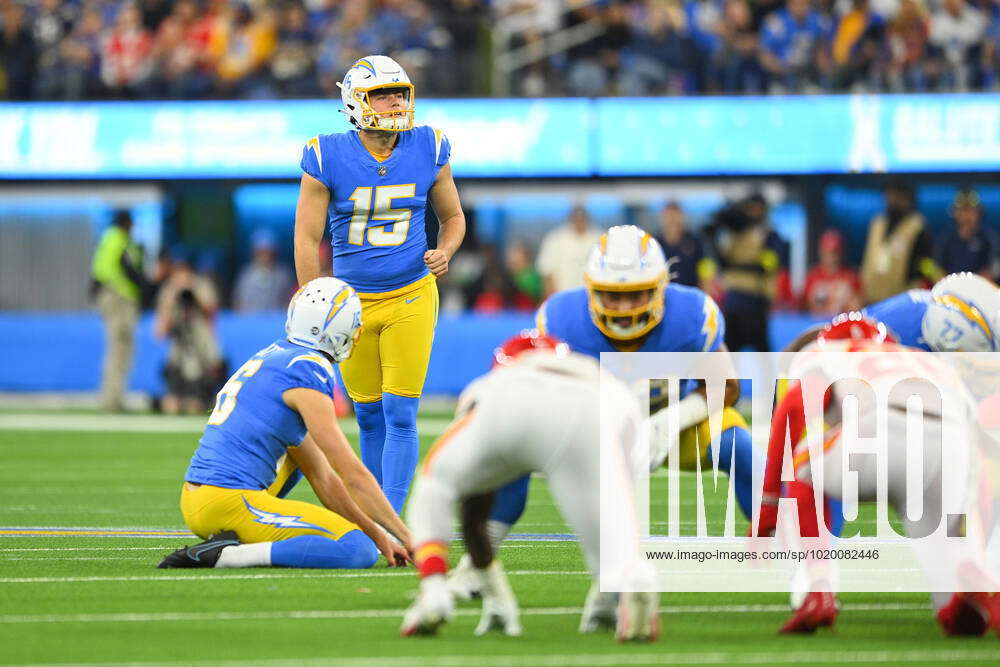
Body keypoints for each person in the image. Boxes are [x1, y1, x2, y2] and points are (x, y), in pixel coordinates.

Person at [448, 225, 762, 598]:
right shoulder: (564, 320)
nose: (625, 309)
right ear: (591, 291)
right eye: (612, 297)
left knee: (738, 443)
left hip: (673, 427)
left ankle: (781, 544)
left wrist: (671, 421)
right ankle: (475, 567)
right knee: (513, 454)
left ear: (661, 288)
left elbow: (725, 385)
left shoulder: (691, 316)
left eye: (637, 295)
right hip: (588, 429)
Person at [401, 331, 659, 641]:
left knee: (434, 485)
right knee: (613, 536)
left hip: (507, 402)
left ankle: (434, 591)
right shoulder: (606, 382)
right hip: (591, 406)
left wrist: (493, 590)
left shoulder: (490, 383)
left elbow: (473, 508)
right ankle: (626, 583)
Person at [294, 55, 466, 514]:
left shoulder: (429, 145)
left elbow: (453, 217)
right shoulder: (325, 154)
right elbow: (307, 237)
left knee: (401, 414)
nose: (394, 103)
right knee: (368, 415)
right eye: (382, 94)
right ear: (355, 101)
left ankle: (392, 517)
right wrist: (312, 298)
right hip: (352, 305)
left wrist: (445, 250)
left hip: (411, 294)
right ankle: (373, 513)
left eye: (400, 93)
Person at [756, 314, 1000, 634]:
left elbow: (790, 416)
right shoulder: (929, 364)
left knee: (803, 463)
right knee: (950, 603)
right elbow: (977, 466)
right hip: (950, 450)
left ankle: (819, 587)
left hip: (878, 427)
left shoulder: (825, 355)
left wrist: (766, 516)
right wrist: (972, 542)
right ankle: (977, 585)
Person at [158, 277, 411, 570]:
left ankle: (237, 537)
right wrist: (407, 536)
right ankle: (228, 555)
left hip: (197, 500)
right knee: (356, 550)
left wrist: (379, 536)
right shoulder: (307, 370)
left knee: (300, 455)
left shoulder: (277, 355)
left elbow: (323, 477)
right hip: (228, 502)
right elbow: (351, 475)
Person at [154, 250, 224, 415]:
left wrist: (195, 295)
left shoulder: (202, 285)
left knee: (196, 406)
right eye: (178, 270)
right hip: (179, 354)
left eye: (185, 270)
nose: (182, 275)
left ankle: (202, 397)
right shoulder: (169, 290)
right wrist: (172, 299)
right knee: (172, 406)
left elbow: (212, 318)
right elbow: (160, 332)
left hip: (201, 354)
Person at [91, 210, 146, 412]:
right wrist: (145, 287)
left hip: (111, 295)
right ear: (126, 223)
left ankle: (112, 397)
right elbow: (128, 270)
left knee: (118, 349)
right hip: (119, 297)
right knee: (120, 349)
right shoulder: (119, 239)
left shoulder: (108, 239)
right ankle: (111, 399)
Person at [859, 181, 942, 305]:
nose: (891, 200)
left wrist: (927, 277)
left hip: (902, 298)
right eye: (889, 195)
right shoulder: (878, 223)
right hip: (872, 297)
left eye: (896, 196)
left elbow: (926, 262)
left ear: (907, 198)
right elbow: (868, 258)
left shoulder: (917, 226)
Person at [536, 205, 601, 297]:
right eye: (576, 219)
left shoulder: (599, 237)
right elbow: (547, 271)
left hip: (593, 296)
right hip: (563, 295)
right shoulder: (556, 238)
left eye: (582, 219)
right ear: (571, 219)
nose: (579, 222)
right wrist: (551, 297)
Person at [935, 189, 998, 280]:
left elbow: (992, 269)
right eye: (962, 211)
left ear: (979, 213)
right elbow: (938, 269)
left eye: (971, 211)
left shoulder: (989, 239)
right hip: (952, 289)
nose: (966, 216)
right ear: (955, 213)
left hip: (980, 289)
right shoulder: (946, 239)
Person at [654, 201, 715, 291]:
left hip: (690, 293)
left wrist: (705, 293)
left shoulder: (695, 241)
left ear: (682, 216)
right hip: (663, 296)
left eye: (675, 215)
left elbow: (705, 269)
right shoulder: (655, 244)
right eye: (669, 215)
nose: (672, 219)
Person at [801, 229, 862, 316]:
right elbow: (803, 307)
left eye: (834, 252)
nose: (831, 257)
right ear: (821, 252)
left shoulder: (850, 276)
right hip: (817, 325)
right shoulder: (813, 276)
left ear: (841, 253)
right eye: (827, 252)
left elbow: (858, 306)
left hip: (841, 324)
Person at [233, 229, 295, 312]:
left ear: (274, 252)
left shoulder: (283, 275)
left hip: (277, 321)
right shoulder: (245, 274)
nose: (264, 256)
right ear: (254, 252)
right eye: (260, 252)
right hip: (249, 321)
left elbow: (290, 301)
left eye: (267, 252)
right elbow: (237, 302)